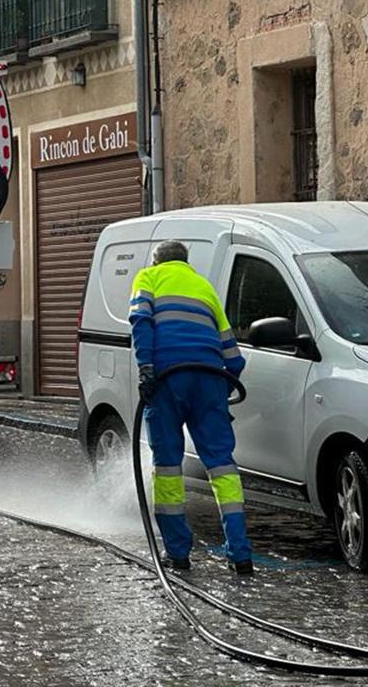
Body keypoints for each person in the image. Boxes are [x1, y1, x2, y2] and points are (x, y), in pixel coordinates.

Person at [128, 240, 252, 575]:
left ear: (157, 262)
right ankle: (240, 554)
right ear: (186, 262)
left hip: (168, 377)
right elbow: (235, 358)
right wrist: (218, 394)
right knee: (222, 466)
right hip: (210, 378)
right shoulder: (204, 287)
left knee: (168, 466)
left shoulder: (148, 277)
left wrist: (146, 370)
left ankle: (178, 554)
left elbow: (141, 322)